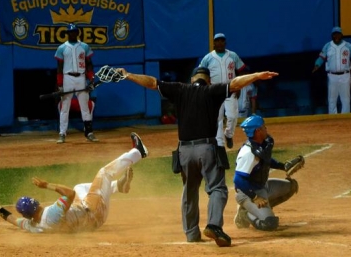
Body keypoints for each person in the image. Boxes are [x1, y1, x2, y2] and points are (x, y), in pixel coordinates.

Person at [115, 66, 278, 247]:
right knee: (217, 189)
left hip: (184, 151)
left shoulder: (180, 89)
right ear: (208, 80)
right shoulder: (212, 90)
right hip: (207, 148)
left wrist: (128, 75)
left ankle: (191, 233)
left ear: (192, 79)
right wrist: (256, 75)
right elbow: (235, 83)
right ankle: (214, 226)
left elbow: (152, 83)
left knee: (189, 191)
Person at [0, 132, 148, 233]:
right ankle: (138, 152)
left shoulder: (33, 226)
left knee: (81, 187)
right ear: (37, 204)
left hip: (87, 224)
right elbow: (70, 194)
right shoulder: (51, 214)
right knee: (104, 173)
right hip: (94, 212)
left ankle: (119, 186)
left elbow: (12, 219)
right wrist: (46, 185)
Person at [233, 115, 299, 231]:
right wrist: (255, 197)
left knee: (292, 186)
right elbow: (238, 180)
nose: (266, 129)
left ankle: (263, 209)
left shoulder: (261, 144)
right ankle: (246, 214)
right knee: (270, 224)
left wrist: (283, 166)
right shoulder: (248, 153)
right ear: (257, 131)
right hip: (248, 193)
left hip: (263, 186)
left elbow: (266, 160)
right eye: (263, 127)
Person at [200, 33, 247, 149]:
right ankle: (219, 143)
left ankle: (229, 134)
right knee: (218, 117)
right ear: (214, 43)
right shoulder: (208, 58)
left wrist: (239, 86)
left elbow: (241, 70)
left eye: (222, 40)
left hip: (230, 88)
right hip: (215, 90)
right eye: (217, 41)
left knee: (232, 116)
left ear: (225, 42)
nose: (220, 43)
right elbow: (201, 73)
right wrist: (205, 87)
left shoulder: (232, 55)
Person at [54, 23, 98, 144]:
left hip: (81, 78)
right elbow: (59, 67)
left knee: (85, 106)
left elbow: (89, 63)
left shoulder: (84, 46)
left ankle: (89, 132)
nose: (72, 34)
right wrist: (60, 84)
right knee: (65, 107)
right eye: (70, 32)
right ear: (67, 34)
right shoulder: (62, 48)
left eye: (74, 32)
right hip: (67, 77)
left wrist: (91, 78)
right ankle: (62, 133)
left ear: (77, 33)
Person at [312, 26, 351, 114]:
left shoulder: (348, 46)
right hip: (332, 76)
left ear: (341, 35)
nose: (336, 36)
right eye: (334, 34)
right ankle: (332, 120)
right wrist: (317, 65)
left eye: (338, 34)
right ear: (332, 36)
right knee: (332, 99)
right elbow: (321, 57)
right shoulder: (328, 46)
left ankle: (345, 120)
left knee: (345, 99)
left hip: (345, 75)